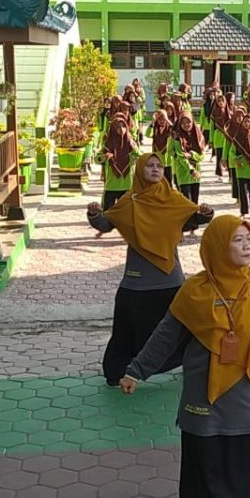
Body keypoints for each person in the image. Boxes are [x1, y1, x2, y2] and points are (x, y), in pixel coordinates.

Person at [119, 215, 250, 498]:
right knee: (204, 477)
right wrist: (137, 370)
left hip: (249, 399)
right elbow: (166, 335)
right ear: (217, 246)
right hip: (205, 402)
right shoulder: (195, 291)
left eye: (249, 239)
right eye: (237, 240)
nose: (247, 246)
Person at [88, 153, 214, 387]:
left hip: (170, 279)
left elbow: (192, 219)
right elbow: (106, 223)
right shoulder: (129, 201)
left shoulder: (173, 199)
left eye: (159, 165)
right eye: (149, 165)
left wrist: (205, 213)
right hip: (137, 281)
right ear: (139, 170)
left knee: (184, 326)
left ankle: (192, 364)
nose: (156, 169)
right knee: (126, 330)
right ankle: (116, 371)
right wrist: (94, 214)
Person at [97, 116, 138, 225]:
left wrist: (134, 151)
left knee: (128, 211)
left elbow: (140, 156)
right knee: (107, 210)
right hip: (112, 183)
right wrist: (106, 156)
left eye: (123, 126)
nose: (121, 129)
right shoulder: (108, 143)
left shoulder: (130, 142)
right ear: (113, 129)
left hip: (127, 182)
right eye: (118, 127)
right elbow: (97, 158)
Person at [169, 112, 206, 207]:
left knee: (195, 202)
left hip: (196, 174)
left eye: (188, 122)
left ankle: (194, 220)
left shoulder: (198, 136)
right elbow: (181, 156)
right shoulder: (177, 138)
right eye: (183, 123)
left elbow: (202, 156)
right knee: (186, 202)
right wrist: (191, 170)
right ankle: (187, 221)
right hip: (184, 173)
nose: (186, 125)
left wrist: (192, 155)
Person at [230, 113, 250, 219]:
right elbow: (232, 152)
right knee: (242, 192)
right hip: (241, 168)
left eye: (249, 121)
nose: (247, 124)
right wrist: (236, 160)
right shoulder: (237, 137)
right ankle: (243, 212)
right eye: (245, 121)